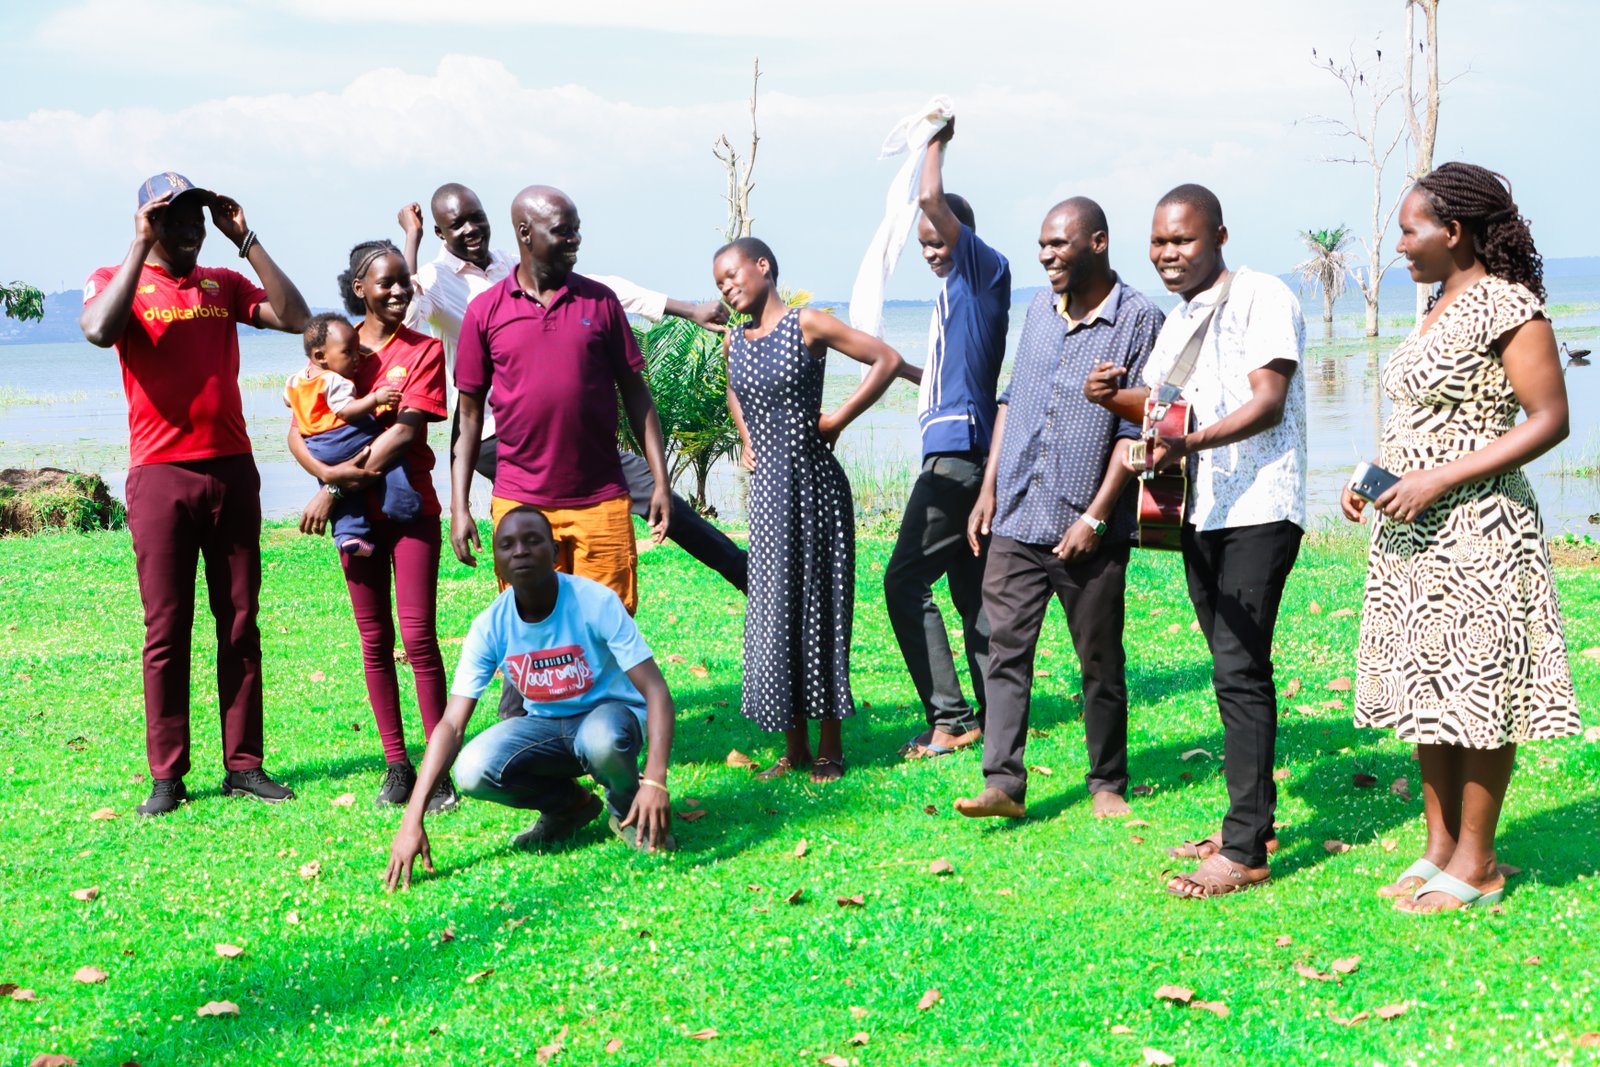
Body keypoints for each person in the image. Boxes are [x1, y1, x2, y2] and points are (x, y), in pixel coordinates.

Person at [1342, 162, 1576, 913]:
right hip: (1411, 531)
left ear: (1454, 230)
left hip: (1480, 527)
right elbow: (1422, 416)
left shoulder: (1509, 306)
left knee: (1475, 687)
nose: (1401, 245)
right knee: (1425, 682)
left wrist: (1439, 479)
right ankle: (1440, 845)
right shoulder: (1435, 306)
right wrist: (1374, 474)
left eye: (1411, 230)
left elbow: (1548, 420)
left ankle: (1479, 860)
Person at [1085, 184, 1306, 898]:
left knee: (1239, 668)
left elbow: (1266, 402)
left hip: (1261, 504)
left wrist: (1187, 441)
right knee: (1231, 665)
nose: (1167, 254)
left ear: (1219, 235)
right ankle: (1254, 821)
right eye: (1157, 242)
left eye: (1181, 239)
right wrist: (1107, 394)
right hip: (1201, 511)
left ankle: (1244, 849)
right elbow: (1161, 407)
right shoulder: (1178, 322)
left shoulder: (1262, 295)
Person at [80, 172, 309, 816]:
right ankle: (168, 775)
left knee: (239, 623)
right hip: (160, 475)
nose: (188, 231)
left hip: (232, 470)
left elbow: (295, 318)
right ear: (148, 222)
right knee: (166, 628)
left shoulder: (221, 284)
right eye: (172, 219)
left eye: (195, 219)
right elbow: (99, 331)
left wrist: (247, 240)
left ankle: (244, 766)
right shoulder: (114, 280)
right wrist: (137, 248)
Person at [398, 185, 748, 593]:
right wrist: (411, 238)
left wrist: (686, 308)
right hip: (496, 433)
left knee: (616, 496)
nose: (472, 229)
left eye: (478, 217)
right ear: (440, 234)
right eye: (457, 225)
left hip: (551, 432)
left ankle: (739, 571)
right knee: (598, 500)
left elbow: (604, 287)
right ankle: (743, 571)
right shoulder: (435, 280)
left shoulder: (513, 263)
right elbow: (405, 315)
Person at [955, 198, 1163, 820]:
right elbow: (1013, 404)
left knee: (1098, 659)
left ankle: (1107, 784)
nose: (1046, 256)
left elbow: (1139, 431)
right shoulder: (1037, 312)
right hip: (1017, 511)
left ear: (1097, 243)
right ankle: (1003, 784)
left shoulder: (1139, 318)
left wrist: (1096, 517)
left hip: (1086, 525)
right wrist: (988, 487)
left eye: (1059, 245)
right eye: (1042, 245)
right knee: (1002, 647)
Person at [384, 505, 679, 890]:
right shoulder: (491, 625)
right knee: (472, 769)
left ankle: (630, 808)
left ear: (555, 553)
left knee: (602, 738)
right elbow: (452, 725)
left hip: (609, 718)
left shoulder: (595, 602)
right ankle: (568, 807)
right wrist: (413, 819)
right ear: (498, 562)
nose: (519, 550)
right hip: (546, 728)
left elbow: (656, 692)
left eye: (532, 541)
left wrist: (656, 780)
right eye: (506, 545)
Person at [715, 237, 904, 783]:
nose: (727, 287)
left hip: (815, 489)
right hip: (770, 495)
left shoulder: (807, 324)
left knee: (819, 607)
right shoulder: (735, 340)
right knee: (774, 613)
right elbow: (734, 392)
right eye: (719, 282)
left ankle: (830, 747)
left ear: (764, 266)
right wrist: (746, 435)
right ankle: (793, 747)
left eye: (733, 274)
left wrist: (838, 418)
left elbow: (885, 359)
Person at [451, 186, 674, 621]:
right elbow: (469, 416)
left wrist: (659, 480)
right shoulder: (486, 311)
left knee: (608, 632)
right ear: (525, 233)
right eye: (562, 231)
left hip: (602, 501)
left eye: (577, 230)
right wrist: (459, 507)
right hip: (520, 505)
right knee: (532, 631)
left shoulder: (601, 301)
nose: (575, 240)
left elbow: (637, 395)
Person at [288, 240, 452, 811]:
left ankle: (438, 770)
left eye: (405, 281)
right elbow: (297, 427)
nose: (399, 290)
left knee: (419, 638)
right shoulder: (334, 347)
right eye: (386, 283)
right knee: (374, 641)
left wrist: (332, 488)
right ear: (360, 289)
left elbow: (404, 433)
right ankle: (397, 767)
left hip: (409, 515)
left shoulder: (424, 350)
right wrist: (321, 474)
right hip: (357, 523)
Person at [884, 118, 1008, 760]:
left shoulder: (982, 276)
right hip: (957, 452)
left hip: (959, 459)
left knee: (903, 582)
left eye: (939, 240)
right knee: (971, 591)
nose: (931, 249)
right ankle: (992, 712)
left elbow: (932, 199)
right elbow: (946, 377)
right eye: (924, 245)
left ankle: (950, 716)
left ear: (963, 240)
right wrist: (893, 365)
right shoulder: (950, 300)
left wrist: (933, 136)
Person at [283, 312, 416, 556]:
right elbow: (346, 411)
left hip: (317, 447)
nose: (357, 358)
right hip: (345, 437)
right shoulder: (334, 380)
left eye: (357, 350)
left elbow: (288, 402)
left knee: (346, 492)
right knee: (387, 448)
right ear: (320, 356)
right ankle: (401, 503)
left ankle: (348, 535)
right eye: (348, 352)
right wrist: (375, 399)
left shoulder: (295, 380)